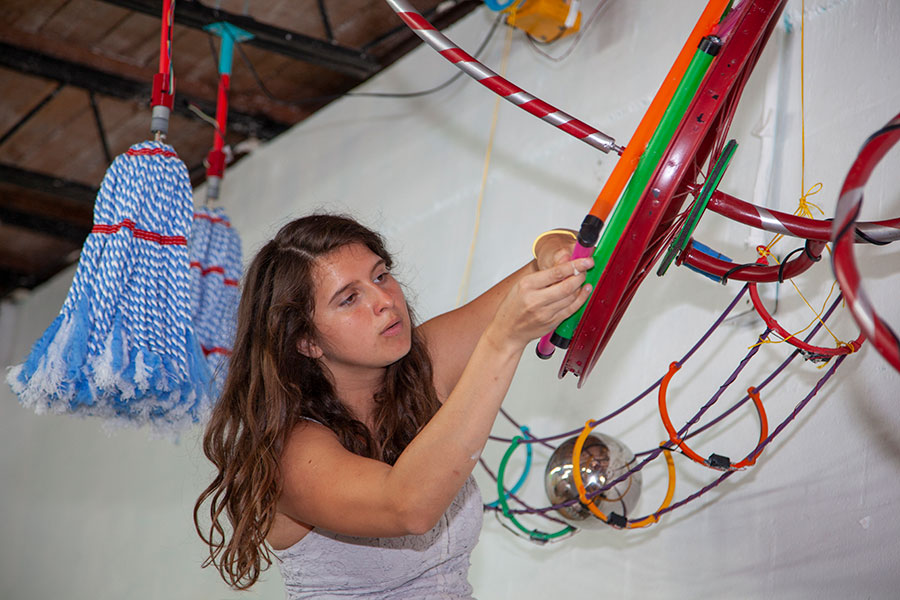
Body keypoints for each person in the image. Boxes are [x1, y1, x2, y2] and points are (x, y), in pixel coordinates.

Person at [194, 214, 592, 598]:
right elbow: (409, 506)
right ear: (307, 342)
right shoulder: (291, 453)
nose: (385, 300)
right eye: (350, 298)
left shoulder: (420, 366)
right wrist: (502, 342)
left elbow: (548, 267)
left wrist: (555, 248)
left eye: (381, 275)